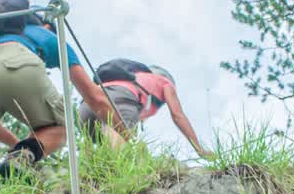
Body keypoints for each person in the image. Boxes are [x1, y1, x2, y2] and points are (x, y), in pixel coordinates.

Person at [0, 8, 124, 193]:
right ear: (46, 26)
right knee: (60, 128)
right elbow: (94, 97)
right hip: (16, 59)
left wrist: (20, 146)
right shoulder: (45, 34)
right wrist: (123, 132)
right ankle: (21, 158)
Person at [79, 62, 214, 159]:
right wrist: (199, 150)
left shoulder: (134, 76)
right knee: (122, 155)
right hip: (121, 99)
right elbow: (178, 115)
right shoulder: (164, 82)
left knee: (104, 151)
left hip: (87, 105)